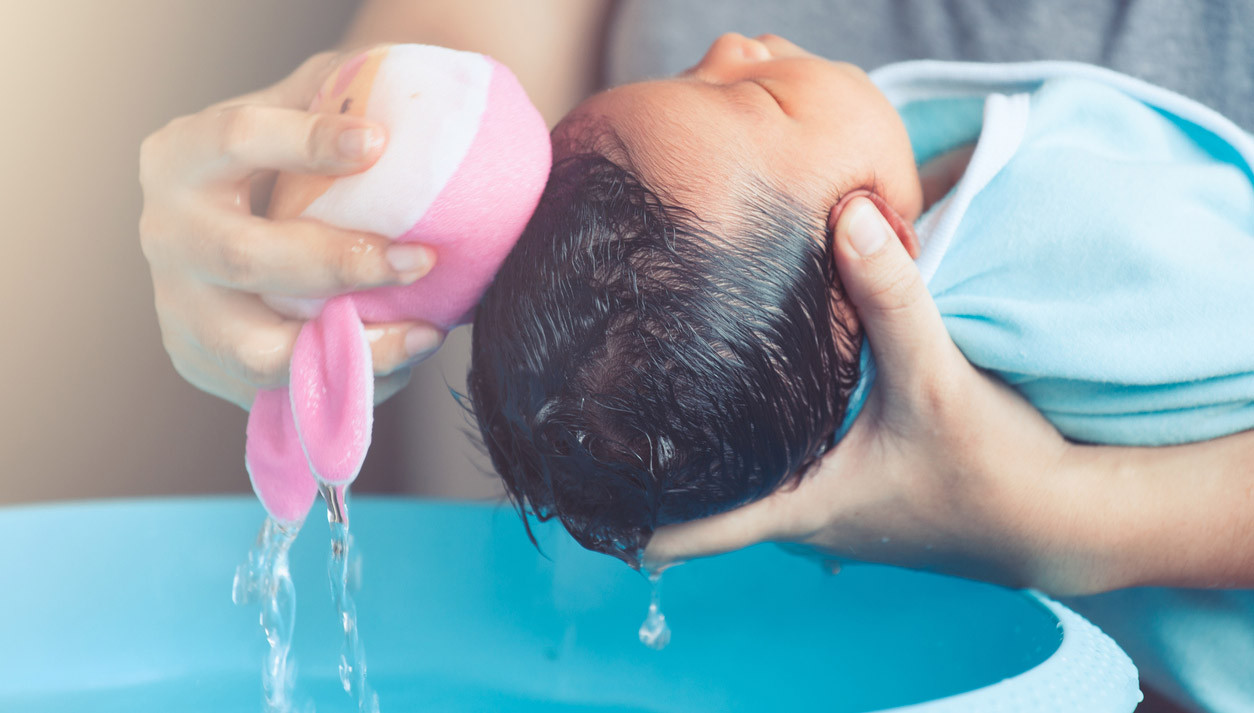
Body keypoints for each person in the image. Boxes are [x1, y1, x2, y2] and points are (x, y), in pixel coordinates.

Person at [138, 3, 1254, 711]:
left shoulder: (1080, 243)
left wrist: (1089, 516)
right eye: (748, 90)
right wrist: (355, 201)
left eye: (746, 90)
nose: (731, 40)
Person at [466, 32, 1254, 566]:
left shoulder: (872, 192)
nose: (727, 45)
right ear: (875, 242)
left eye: (687, 80)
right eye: (759, 96)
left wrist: (1063, 510)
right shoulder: (1070, 235)